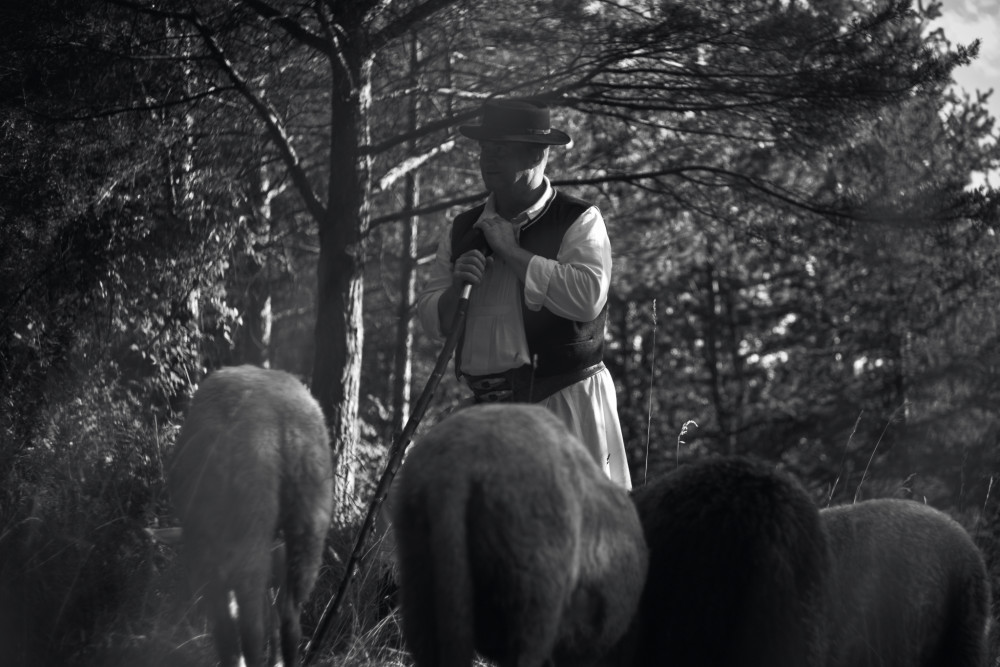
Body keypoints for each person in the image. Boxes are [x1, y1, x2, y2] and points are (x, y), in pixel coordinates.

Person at [416, 97, 631, 489]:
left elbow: (586, 297)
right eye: (485, 149)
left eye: (501, 149)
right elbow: (432, 319)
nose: (487, 159)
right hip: (487, 417)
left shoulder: (579, 220)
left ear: (537, 154)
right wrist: (453, 294)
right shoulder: (463, 228)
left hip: (563, 410)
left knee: (571, 539)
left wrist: (512, 253)